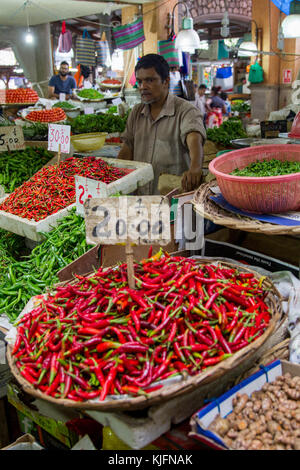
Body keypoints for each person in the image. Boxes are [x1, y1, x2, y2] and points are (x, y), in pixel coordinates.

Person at [117, 54, 206, 195]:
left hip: (171, 200)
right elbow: (128, 146)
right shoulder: (136, 112)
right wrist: (115, 175)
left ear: (166, 81)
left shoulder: (185, 110)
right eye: (139, 82)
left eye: (150, 80)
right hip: (140, 199)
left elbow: (194, 137)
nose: (143, 87)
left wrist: (195, 168)